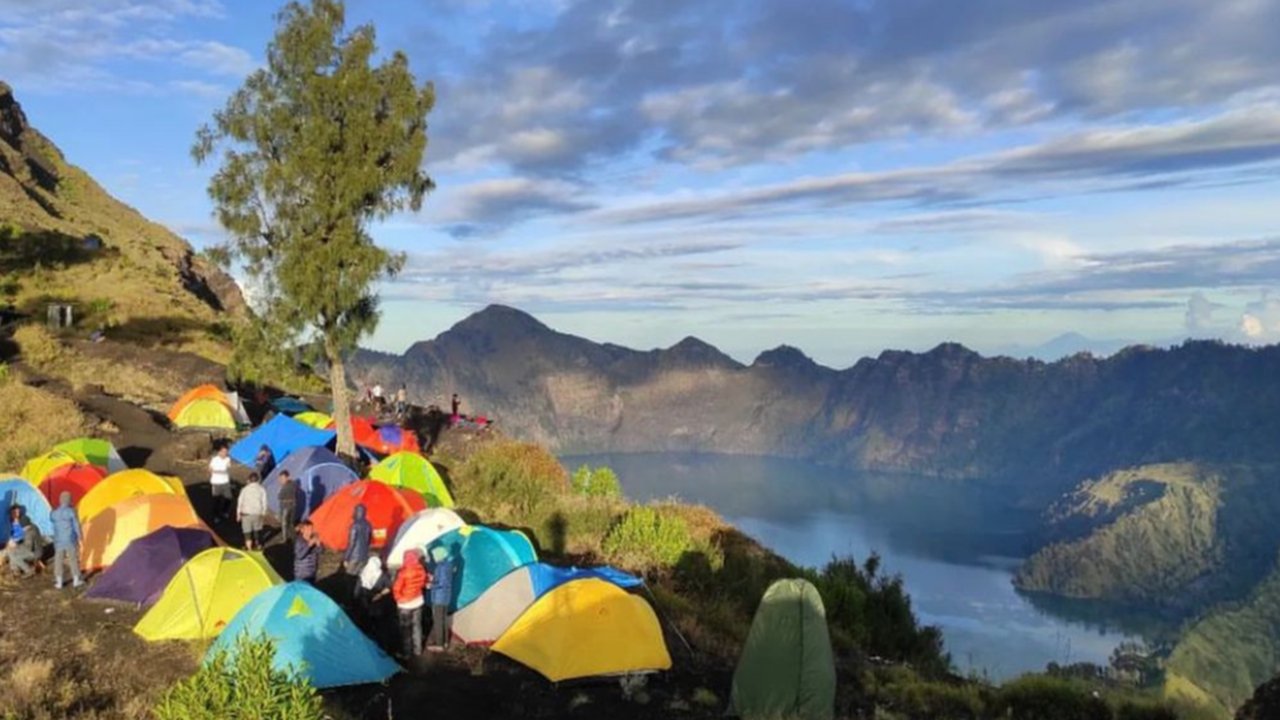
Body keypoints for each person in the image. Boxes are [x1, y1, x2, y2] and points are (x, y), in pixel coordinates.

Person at [393, 549, 428, 659]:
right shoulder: (421, 569)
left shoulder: (403, 572)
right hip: (418, 601)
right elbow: (423, 583)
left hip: (405, 604)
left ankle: (407, 653)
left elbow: (396, 588)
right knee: (417, 626)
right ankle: (418, 650)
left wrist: (398, 599)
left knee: (406, 629)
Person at [50, 491, 83, 589]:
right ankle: (76, 580)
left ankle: (59, 582)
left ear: (60, 500)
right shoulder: (71, 511)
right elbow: (76, 525)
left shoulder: (54, 513)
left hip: (58, 540)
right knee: (72, 559)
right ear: (69, 500)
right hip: (70, 539)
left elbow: (53, 524)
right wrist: (80, 537)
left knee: (58, 560)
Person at [427, 544, 456, 651]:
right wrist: (434, 579)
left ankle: (439, 644)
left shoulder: (441, 567)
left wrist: (431, 584)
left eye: (434, 556)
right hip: (446, 596)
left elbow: (441, 583)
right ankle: (445, 642)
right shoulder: (449, 564)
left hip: (439, 597)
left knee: (438, 620)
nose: (433, 558)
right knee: (443, 619)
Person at [354, 556, 391, 638]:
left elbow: (357, 589)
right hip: (377, 603)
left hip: (363, 601)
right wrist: (380, 595)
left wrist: (355, 598)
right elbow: (388, 588)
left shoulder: (363, 573)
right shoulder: (382, 575)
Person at [5, 506, 41, 578]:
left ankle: (27, 570)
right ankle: (15, 570)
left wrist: (16, 544)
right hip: (26, 546)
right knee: (10, 551)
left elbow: (28, 547)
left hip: (33, 552)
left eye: (18, 511)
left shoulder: (29, 532)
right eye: (14, 512)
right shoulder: (30, 527)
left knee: (14, 555)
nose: (17, 513)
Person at [237, 473, 268, 551]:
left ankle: (249, 548)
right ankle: (258, 545)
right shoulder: (261, 489)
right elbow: (264, 502)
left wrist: (238, 514)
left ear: (249, 480)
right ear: (258, 480)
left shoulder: (244, 489)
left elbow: (240, 502)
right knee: (257, 531)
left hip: (246, 514)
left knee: (247, 533)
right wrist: (263, 513)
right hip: (257, 513)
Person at [343, 503, 372, 575]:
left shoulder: (354, 525)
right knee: (358, 576)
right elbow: (368, 541)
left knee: (349, 576)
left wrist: (346, 557)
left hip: (354, 556)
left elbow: (351, 543)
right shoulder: (368, 525)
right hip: (364, 556)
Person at [209, 444, 233, 523]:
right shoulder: (214, 459)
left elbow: (228, 467)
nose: (225, 453)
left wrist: (227, 467)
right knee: (217, 500)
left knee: (228, 498)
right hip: (216, 482)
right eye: (223, 452)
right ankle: (216, 516)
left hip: (225, 482)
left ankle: (224, 511)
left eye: (226, 452)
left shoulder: (228, 459)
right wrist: (218, 472)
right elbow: (210, 469)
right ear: (219, 452)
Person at [277, 470, 298, 543]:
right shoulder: (294, 484)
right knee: (291, 523)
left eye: (282, 478)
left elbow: (280, 496)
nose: (281, 480)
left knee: (284, 523)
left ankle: (284, 538)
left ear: (287, 477)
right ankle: (293, 537)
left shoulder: (285, 486)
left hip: (286, 506)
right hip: (293, 505)